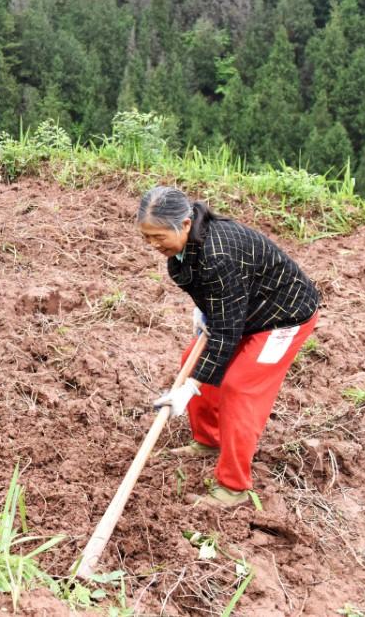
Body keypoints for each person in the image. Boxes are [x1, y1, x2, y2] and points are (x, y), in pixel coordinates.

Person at [138, 185, 321, 508]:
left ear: (183, 224)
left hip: (284, 319)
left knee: (240, 387)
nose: (153, 244)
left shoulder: (217, 254)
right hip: (244, 311)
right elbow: (219, 307)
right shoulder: (187, 246)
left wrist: (190, 387)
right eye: (147, 237)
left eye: (158, 236)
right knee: (192, 361)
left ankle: (233, 487)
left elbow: (225, 332)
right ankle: (210, 439)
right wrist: (204, 309)